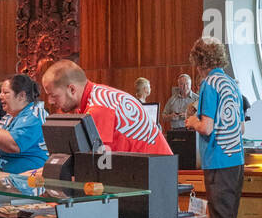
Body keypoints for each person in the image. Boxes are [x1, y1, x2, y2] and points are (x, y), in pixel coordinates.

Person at [183, 39, 245, 218]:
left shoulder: (209, 84)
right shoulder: (231, 84)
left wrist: (193, 121)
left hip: (218, 161)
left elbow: (206, 127)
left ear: (199, 61)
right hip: (236, 161)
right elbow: (241, 127)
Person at [41, 61, 172, 154]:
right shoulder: (93, 98)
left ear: (72, 89)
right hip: (143, 172)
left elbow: (102, 161)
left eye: (53, 95)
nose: (50, 101)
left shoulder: (99, 107)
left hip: (153, 178)